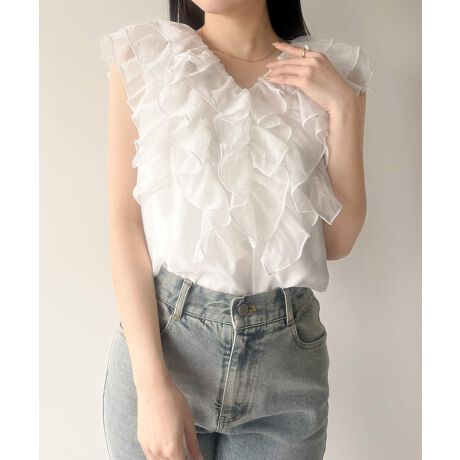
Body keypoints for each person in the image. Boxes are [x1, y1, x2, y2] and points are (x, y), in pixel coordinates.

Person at [99, 1, 375, 459]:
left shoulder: (333, 76)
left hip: (286, 369)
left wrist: (342, 109)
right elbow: (125, 226)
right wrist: (151, 386)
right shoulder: (145, 58)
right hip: (166, 349)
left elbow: (337, 240)